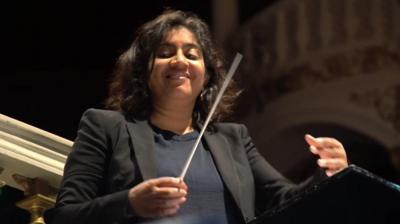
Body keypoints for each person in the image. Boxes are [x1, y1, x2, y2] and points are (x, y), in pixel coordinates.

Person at [45, 9, 348, 224]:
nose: (179, 61)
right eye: (165, 52)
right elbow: (65, 215)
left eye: (192, 54)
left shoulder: (234, 139)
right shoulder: (105, 127)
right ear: (143, 71)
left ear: (206, 76)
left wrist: (328, 174)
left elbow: (286, 201)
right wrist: (129, 203)